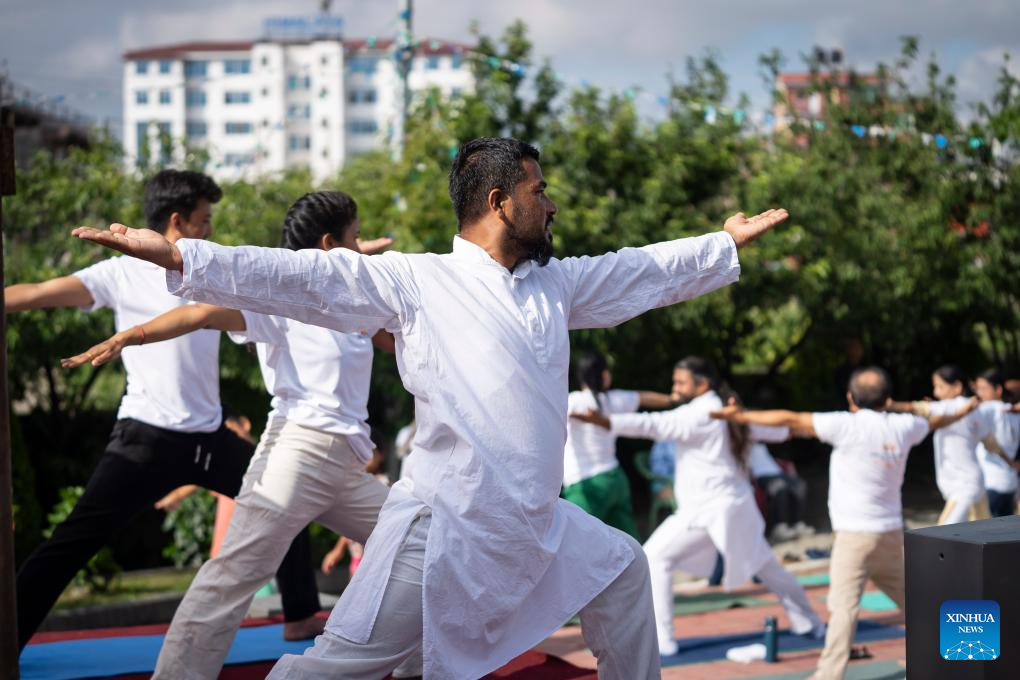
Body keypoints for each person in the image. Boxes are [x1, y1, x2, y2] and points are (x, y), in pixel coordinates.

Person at [71, 136, 789, 679]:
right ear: (499, 202)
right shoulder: (417, 281)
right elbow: (301, 276)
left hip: (533, 525)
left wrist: (720, 245)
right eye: (538, 191)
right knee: (337, 666)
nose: (551, 205)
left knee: (625, 570)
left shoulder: (557, 285)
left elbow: (640, 271)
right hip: (443, 528)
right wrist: (181, 259)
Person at [63, 191, 418, 679]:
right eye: (354, 236)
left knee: (421, 543)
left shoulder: (350, 299)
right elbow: (203, 312)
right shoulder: (281, 299)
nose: (362, 245)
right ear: (328, 243)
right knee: (231, 577)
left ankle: (417, 663)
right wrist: (133, 335)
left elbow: (384, 322)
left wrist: (357, 258)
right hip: (296, 455)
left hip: (344, 466)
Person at [7, 169, 321, 651]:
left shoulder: (211, 271)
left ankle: (300, 614)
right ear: (178, 220)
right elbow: (37, 293)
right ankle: (6, 639)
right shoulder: (119, 274)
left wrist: (334, 263)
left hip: (209, 440)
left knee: (285, 500)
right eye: (205, 219)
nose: (210, 229)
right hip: (146, 439)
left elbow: (276, 282)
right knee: (72, 542)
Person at [711, 366, 979, 680]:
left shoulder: (845, 425)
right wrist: (963, 410)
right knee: (918, 601)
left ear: (851, 398)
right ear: (887, 400)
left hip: (854, 538)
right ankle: (973, 653)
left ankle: (828, 676)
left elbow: (790, 419)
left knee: (843, 609)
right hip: (891, 535)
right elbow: (936, 421)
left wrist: (741, 417)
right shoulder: (906, 426)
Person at [573, 356, 824, 656]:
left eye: (681, 382)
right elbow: (772, 430)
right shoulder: (723, 410)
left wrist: (607, 422)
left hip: (709, 511)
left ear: (702, 384)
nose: (675, 387)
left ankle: (663, 640)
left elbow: (653, 424)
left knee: (655, 558)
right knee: (767, 567)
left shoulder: (700, 414)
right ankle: (809, 622)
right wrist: (800, 429)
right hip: (728, 508)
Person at [563, 351, 673, 538]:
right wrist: (673, 399)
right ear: (604, 375)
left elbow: (553, 412)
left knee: (574, 541)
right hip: (616, 480)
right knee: (627, 542)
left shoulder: (574, 400)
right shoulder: (613, 399)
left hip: (586, 483)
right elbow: (643, 397)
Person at [888, 365, 1008, 524]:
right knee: (983, 535)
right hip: (974, 483)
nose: (936, 392)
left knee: (942, 534)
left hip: (964, 488)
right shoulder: (972, 409)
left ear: (957, 387)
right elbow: (991, 443)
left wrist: (890, 405)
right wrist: (1011, 462)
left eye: (940, 387)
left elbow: (916, 408)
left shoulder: (949, 406)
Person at [972, 369, 1020, 517]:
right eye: (977, 388)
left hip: (990, 483)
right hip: (1009, 483)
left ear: (998, 389)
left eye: (983, 388)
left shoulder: (989, 408)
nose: (979, 393)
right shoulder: (1012, 412)